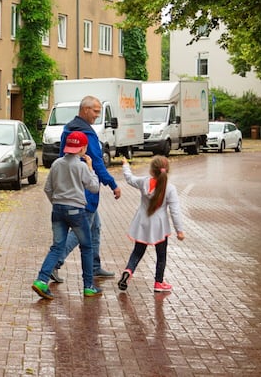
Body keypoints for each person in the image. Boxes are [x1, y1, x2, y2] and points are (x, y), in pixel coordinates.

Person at [50, 96, 121, 284]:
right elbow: (97, 162)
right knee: (80, 232)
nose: (98, 115)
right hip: (85, 192)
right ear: (85, 109)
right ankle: (54, 264)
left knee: (95, 227)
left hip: (72, 187)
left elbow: (62, 157)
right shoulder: (85, 134)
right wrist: (112, 184)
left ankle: (95, 266)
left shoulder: (69, 128)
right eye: (96, 111)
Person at [32, 131, 102, 299]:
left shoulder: (56, 164)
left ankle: (41, 280)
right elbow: (94, 187)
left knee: (56, 247)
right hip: (76, 211)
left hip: (57, 209)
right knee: (86, 247)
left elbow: (47, 188)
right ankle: (88, 286)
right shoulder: (81, 166)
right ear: (83, 148)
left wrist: (56, 202)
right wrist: (91, 168)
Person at [117, 155, 186, 292]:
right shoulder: (170, 188)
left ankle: (128, 271)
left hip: (142, 223)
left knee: (137, 251)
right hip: (159, 227)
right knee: (161, 255)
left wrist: (125, 165)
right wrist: (180, 230)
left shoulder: (144, 182)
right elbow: (175, 211)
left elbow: (130, 179)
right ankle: (158, 282)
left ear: (151, 170)